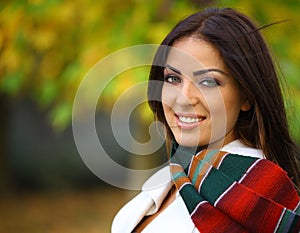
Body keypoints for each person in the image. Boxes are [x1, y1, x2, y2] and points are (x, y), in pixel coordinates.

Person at [111, 7, 300, 233]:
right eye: (173, 78)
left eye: (208, 82)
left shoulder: (257, 191)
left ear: (247, 97)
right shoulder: (176, 174)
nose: (183, 99)